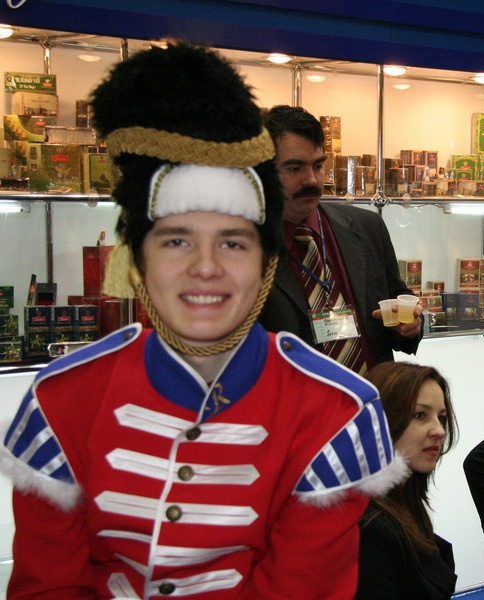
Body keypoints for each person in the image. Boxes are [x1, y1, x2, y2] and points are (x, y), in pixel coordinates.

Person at [0, 44, 405, 599]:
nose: (206, 268)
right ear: (137, 261)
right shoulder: (61, 400)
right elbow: (46, 586)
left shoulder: (337, 415)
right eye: (176, 241)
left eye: (233, 242)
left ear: (266, 263)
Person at [258, 105, 423, 375]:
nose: (311, 180)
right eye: (295, 168)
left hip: (372, 394)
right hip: (296, 397)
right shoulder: (244, 247)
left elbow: (397, 298)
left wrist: (409, 325)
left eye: (318, 166)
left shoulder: (366, 226)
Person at [356, 361, 459, 600]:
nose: (439, 431)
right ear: (381, 422)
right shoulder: (371, 529)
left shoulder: (403, 505)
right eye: (420, 415)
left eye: (441, 417)